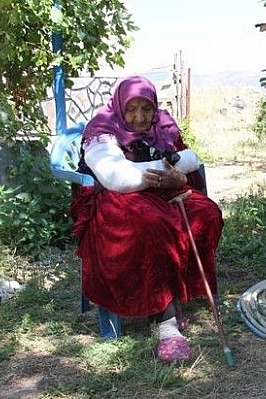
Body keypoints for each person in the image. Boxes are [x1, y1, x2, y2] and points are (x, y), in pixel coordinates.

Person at [69, 75, 223, 362]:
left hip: (163, 190)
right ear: (120, 107)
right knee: (149, 224)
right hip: (115, 197)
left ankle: (177, 291)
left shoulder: (162, 126)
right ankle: (165, 322)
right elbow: (117, 177)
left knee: (206, 213)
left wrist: (177, 177)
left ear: (154, 108)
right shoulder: (102, 128)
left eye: (146, 109)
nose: (139, 117)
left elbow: (187, 162)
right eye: (132, 109)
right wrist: (156, 174)